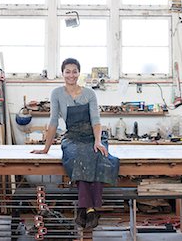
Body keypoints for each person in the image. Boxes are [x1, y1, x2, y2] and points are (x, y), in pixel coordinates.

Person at [32, 58, 119, 230]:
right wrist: (45, 149)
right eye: (67, 71)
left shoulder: (89, 94)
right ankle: (91, 209)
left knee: (98, 156)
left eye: (74, 71)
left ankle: (83, 208)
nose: (71, 75)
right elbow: (53, 122)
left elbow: (96, 120)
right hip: (72, 137)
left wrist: (97, 141)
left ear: (79, 73)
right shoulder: (57, 93)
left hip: (92, 136)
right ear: (62, 73)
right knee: (78, 155)